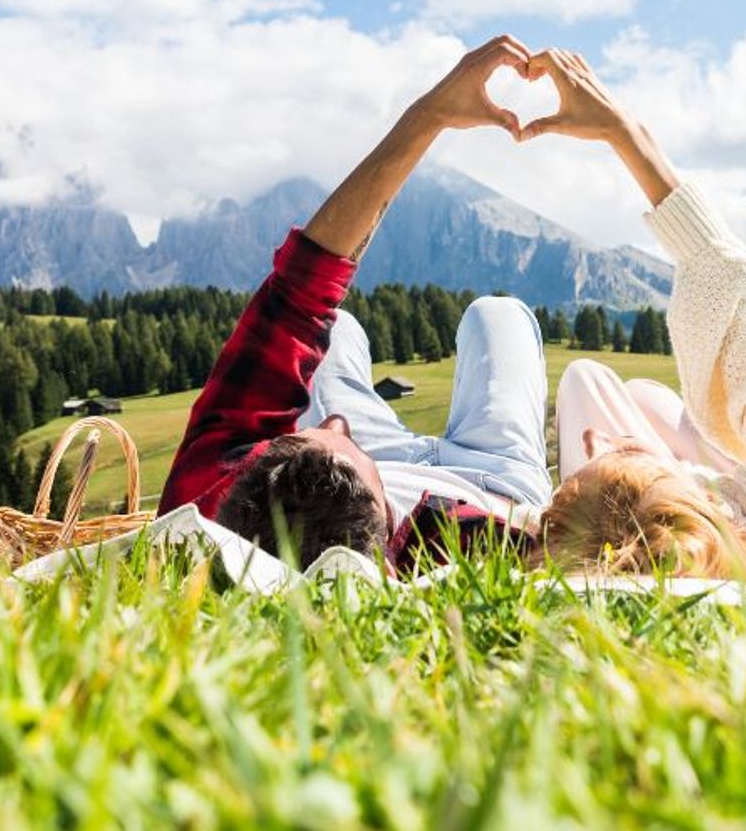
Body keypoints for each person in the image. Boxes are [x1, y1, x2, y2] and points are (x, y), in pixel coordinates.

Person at [158, 35, 553, 573]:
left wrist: (427, 116)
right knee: (497, 315)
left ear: (257, 461)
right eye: (340, 436)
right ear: (387, 538)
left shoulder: (209, 494)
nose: (338, 421)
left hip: (378, 459)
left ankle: (350, 456)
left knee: (334, 327)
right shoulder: (472, 546)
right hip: (493, 479)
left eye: (312, 434)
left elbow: (300, 292)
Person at [514, 47, 746, 582]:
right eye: (612, 461)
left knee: (601, 383)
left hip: (688, 509)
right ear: (686, 497)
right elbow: (737, 294)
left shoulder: (701, 554)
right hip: (743, 497)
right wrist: (625, 133)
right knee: (626, 394)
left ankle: (650, 451)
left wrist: (624, 467)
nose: (593, 442)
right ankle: (661, 455)